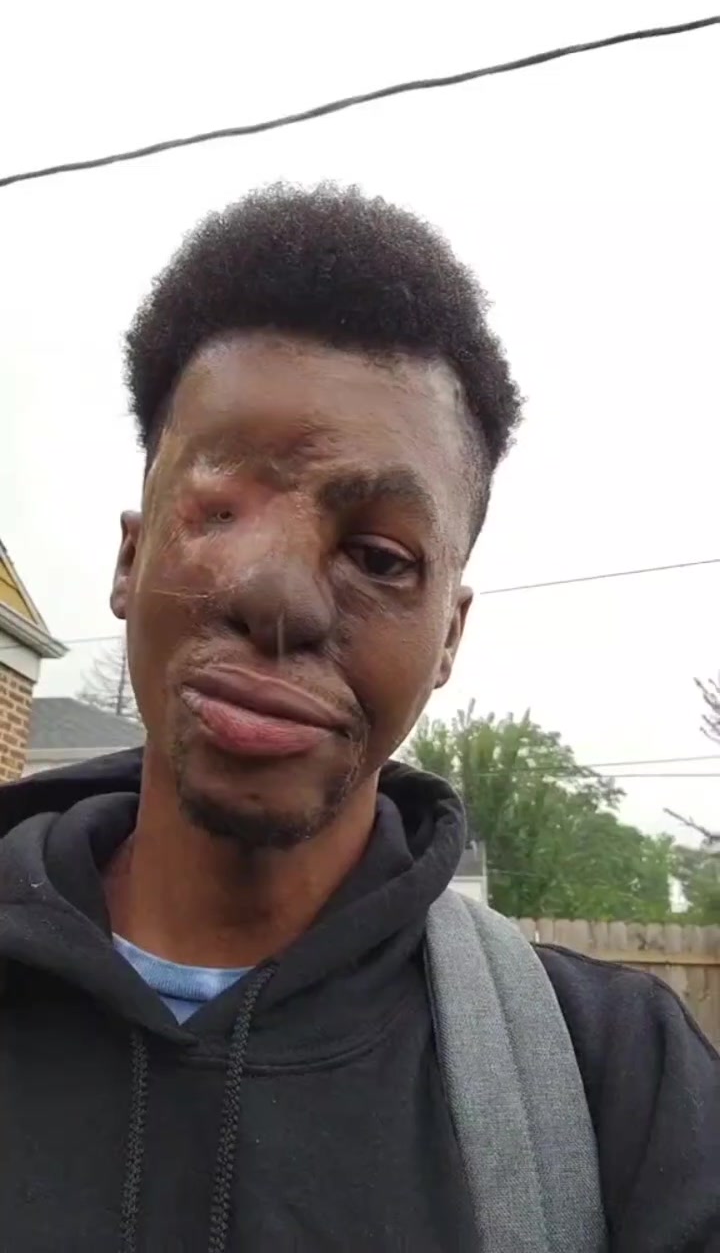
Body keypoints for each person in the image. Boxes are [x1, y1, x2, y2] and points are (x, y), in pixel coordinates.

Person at [0, 183, 717, 1252]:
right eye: (219, 510)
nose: (277, 596)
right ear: (130, 558)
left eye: (381, 558)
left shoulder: (622, 1090)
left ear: (448, 639)